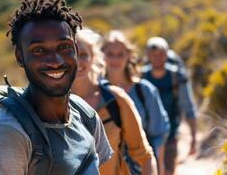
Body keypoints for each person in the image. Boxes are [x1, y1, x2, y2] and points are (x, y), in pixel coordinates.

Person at [0, 0, 113, 175]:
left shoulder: (86, 116)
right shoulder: (8, 133)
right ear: (20, 57)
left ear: (76, 51)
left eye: (64, 47)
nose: (55, 61)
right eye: (38, 50)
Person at [71, 28, 157, 175]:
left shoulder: (116, 100)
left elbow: (145, 156)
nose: (78, 60)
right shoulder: (52, 104)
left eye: (84, 54)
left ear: (94, 57)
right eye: (71, 53)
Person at [101, 30, 170, 174]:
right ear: (101, 56)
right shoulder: (94, 93)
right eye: (110, 54)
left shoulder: (145, 91)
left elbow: (159, 134)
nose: (115, 59)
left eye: (120, 54)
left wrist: (159, 168)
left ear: (129, 56)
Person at [143, 36, 197, 175]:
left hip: (170, 134)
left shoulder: (176, 77)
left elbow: (188, 107)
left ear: (167, 54)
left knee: (167, 170)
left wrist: (193, 139)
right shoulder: (140, 77)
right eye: (153, 54)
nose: (157, 58)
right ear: (148, 56)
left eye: (161, 54)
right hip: (145, 135)